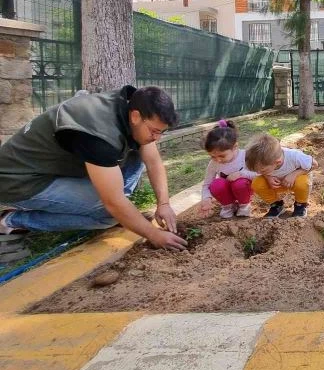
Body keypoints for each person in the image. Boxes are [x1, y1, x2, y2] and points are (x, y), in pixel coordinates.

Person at [0, 86, 187, 250]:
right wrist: (154, 235)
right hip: (19, 181)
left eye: (161, 133)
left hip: (49, 167)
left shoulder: (129, 106)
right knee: (109, 216)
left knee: (139, 152)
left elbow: (153, 161)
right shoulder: (98, 135)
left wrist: (164, 204)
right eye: (154, 131)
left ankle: (113, 207)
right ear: (136, 116)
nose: (157, 138)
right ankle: (10, 220)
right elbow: (113, 203)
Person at [246, 133, 318, 218]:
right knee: (257, 183)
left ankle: (300, 205)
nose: (258, 172)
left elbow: (315, 164)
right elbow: (261, 172)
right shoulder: (263, 162)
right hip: (278, 183)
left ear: (277, 162)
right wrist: (267, 176)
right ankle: (277, 205)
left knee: (302, 182)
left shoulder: (294, 156)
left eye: (263, 170)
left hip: (295, 183)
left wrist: (294, 174)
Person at [199, 120, 257, 219]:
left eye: (222, 156)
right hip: (227, 193)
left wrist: (241, 174)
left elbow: (259, 175)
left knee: (240, 183)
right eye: (212, 156)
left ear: (235, 147)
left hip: (243, 189)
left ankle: (244, 205)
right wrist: (206, 199)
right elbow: (207, 184)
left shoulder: (246, 156)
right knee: (216, 184)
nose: (217, 160)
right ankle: (228, 206)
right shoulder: (214, 164)